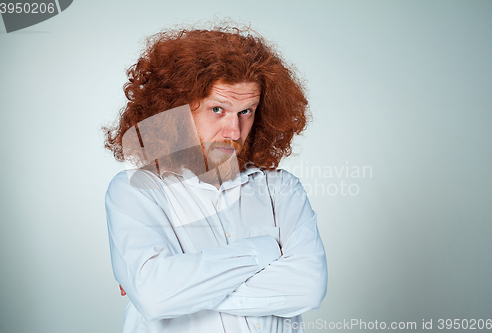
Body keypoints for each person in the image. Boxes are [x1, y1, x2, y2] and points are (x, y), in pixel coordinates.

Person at [103, 23, 327, 333]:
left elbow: (308, 288)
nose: (234, 131)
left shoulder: (282, 189)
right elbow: (155, 297)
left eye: (246, 111)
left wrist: (184, 289)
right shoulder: (135, 191)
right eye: (218, 109)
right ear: (176, 109)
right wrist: (264, 250)